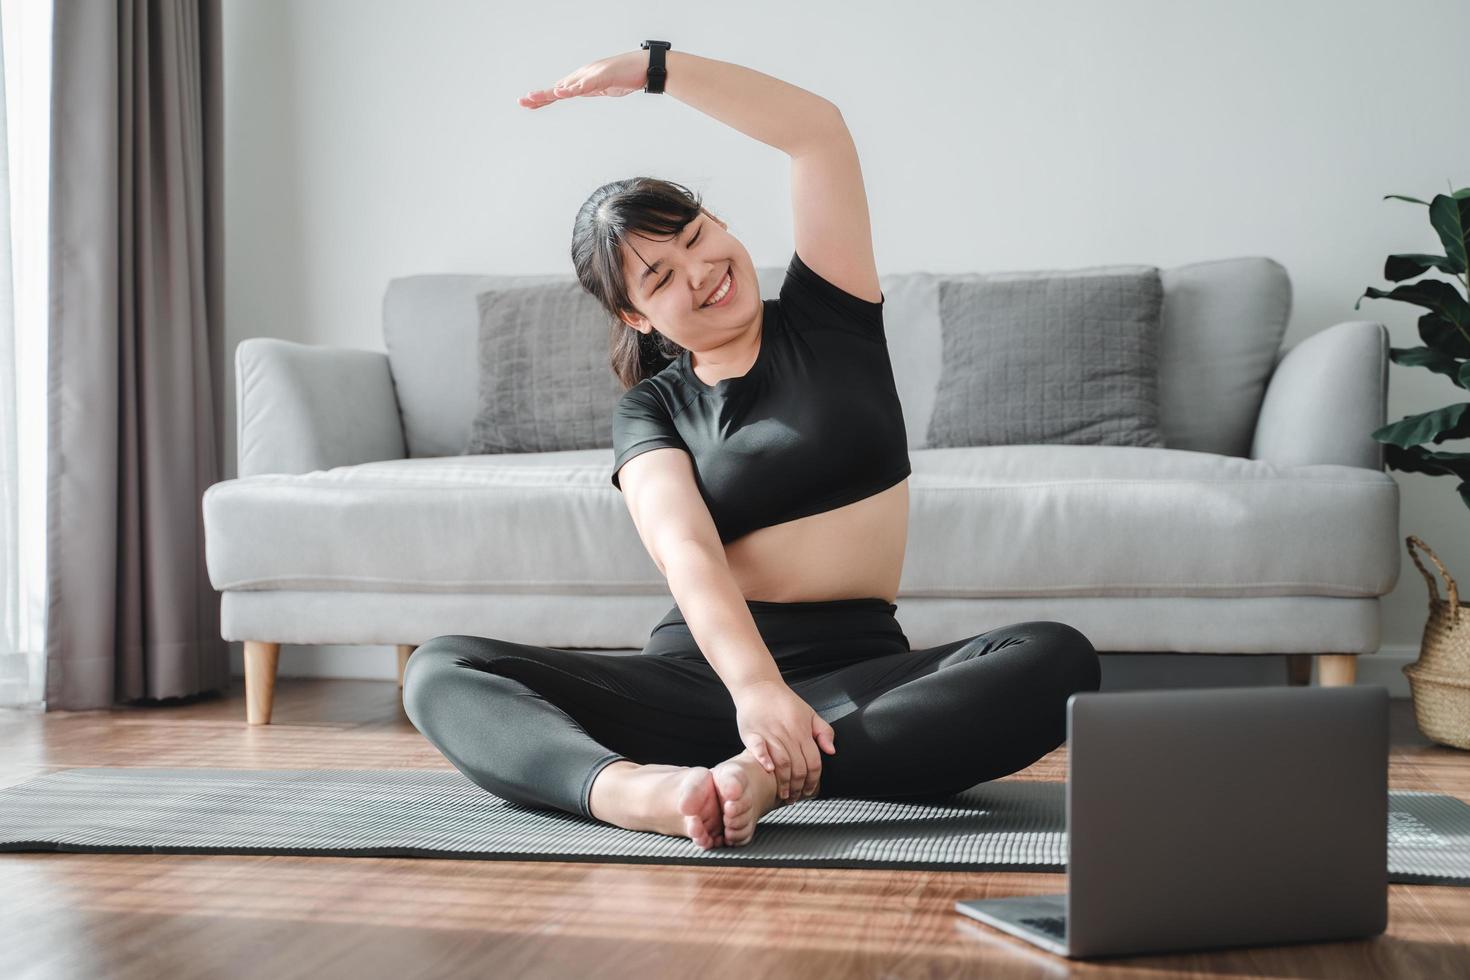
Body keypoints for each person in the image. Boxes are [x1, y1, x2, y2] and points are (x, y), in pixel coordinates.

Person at [403, 47, 1101, 850]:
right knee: (442, 669)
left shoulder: (829, 318)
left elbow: (818, 134)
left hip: (860, 678)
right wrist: (757, 690)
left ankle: (767, 776)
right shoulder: (650, 410)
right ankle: (638, 793)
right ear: (636, 319)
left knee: (1056, 659)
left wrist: (655, 68)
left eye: (697, 237)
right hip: (697, 681)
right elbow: (687, 553)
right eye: (660, 278)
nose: (699, 272)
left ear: (723, 224)